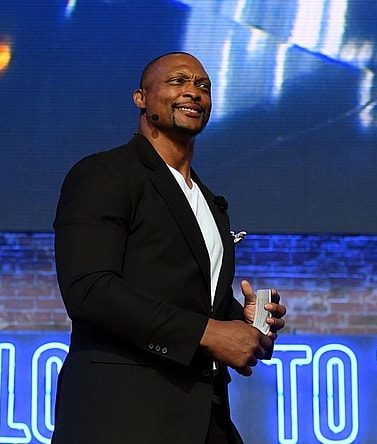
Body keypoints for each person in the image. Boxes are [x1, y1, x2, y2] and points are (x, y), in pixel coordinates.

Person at [50, 52, 287, 443]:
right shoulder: (105, 174)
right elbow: (89, 290)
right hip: (124, 416)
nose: (193, 92)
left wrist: (240, 319)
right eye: (178, 81)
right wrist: (209, 333)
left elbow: (182, 296)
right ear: (141, 98)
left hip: (205, 416)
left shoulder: (208, 201)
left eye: (203, 86)